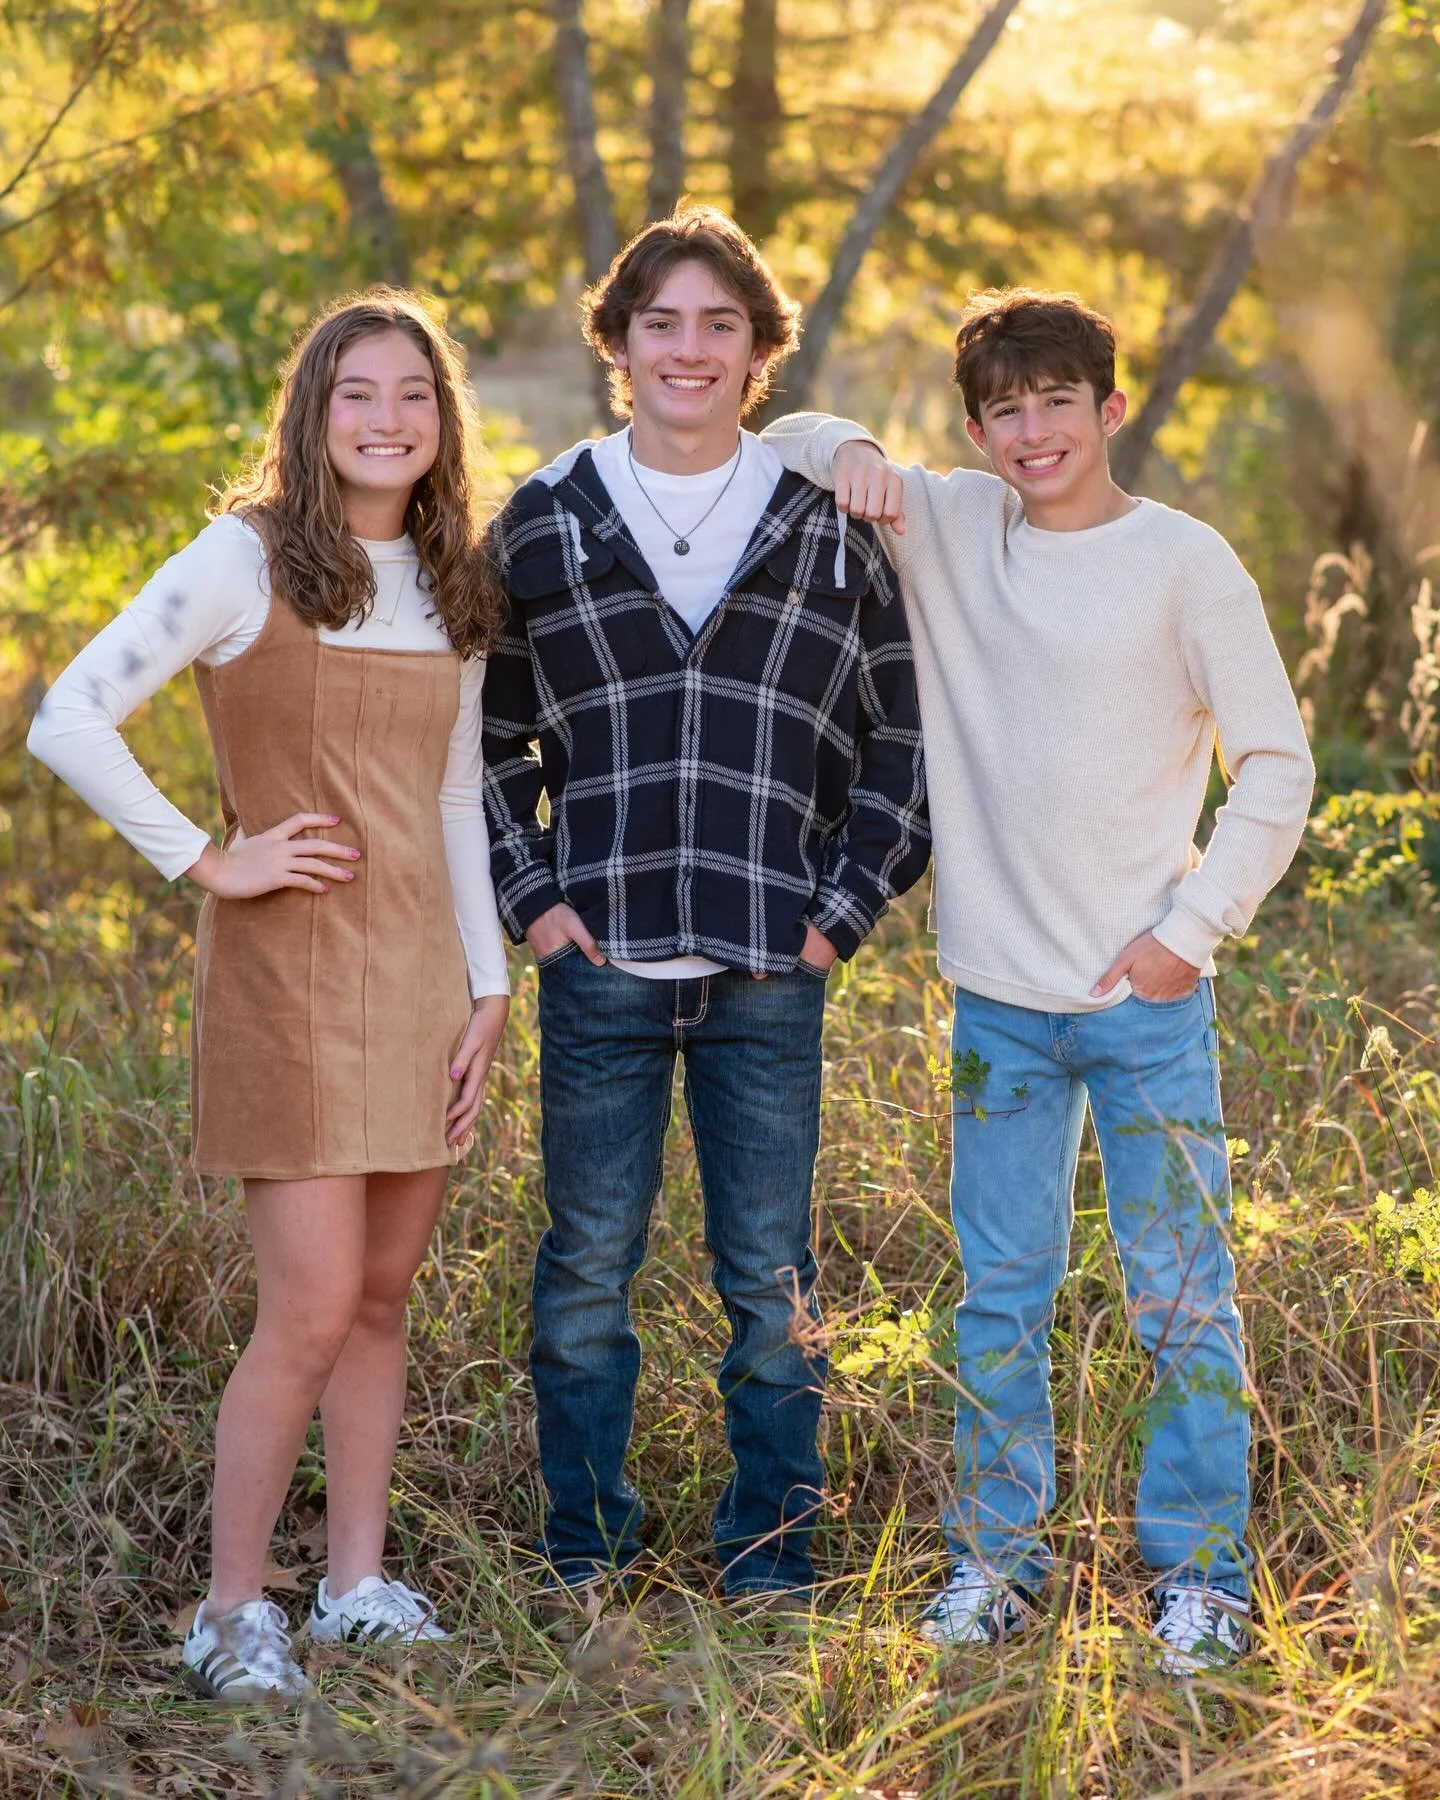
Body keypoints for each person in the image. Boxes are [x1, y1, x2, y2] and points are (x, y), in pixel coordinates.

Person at [761, 288, 1315, 1671]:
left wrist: (1192, 928)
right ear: (975, 432)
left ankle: (1201, 1581)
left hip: (1148, 1005)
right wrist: (852, 452)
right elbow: (783, 437)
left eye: (1056, 401)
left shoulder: (1186, 563)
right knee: (1000, 1298)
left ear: (1109, 408)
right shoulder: (951, 528)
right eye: (1002, 411)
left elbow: (1278, 766)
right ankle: (994, 1568)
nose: (1031, 432)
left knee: (1181, 1298)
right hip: (998, 1009)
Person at [27, 290, 511, 1701]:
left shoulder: (454, 581)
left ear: (443, 420)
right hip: (289, 977)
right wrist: (208, 858)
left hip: (422, 975)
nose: (387, 420)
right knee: (308, 1307)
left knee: (382, 1298)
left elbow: (460, 799)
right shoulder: (243, 558)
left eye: (414, 395)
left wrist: (488, 985)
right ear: (313, 411)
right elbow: (69, 714)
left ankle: (355, 1589)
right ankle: (229, 1612)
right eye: (358, 393)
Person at [480, 207, 930, 1624]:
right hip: (599, 963)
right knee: (584, 1278)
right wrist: (536, 907)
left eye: (719, 324)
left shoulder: (829, 524)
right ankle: (584, 1553)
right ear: (617, 343)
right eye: (660, 322)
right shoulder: (544, 522)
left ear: (758, 350)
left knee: (771, 1282)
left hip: (770, 969)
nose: (689, 348)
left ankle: (774, 1556)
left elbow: (904, 748)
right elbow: (478, 745)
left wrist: (834, 916)